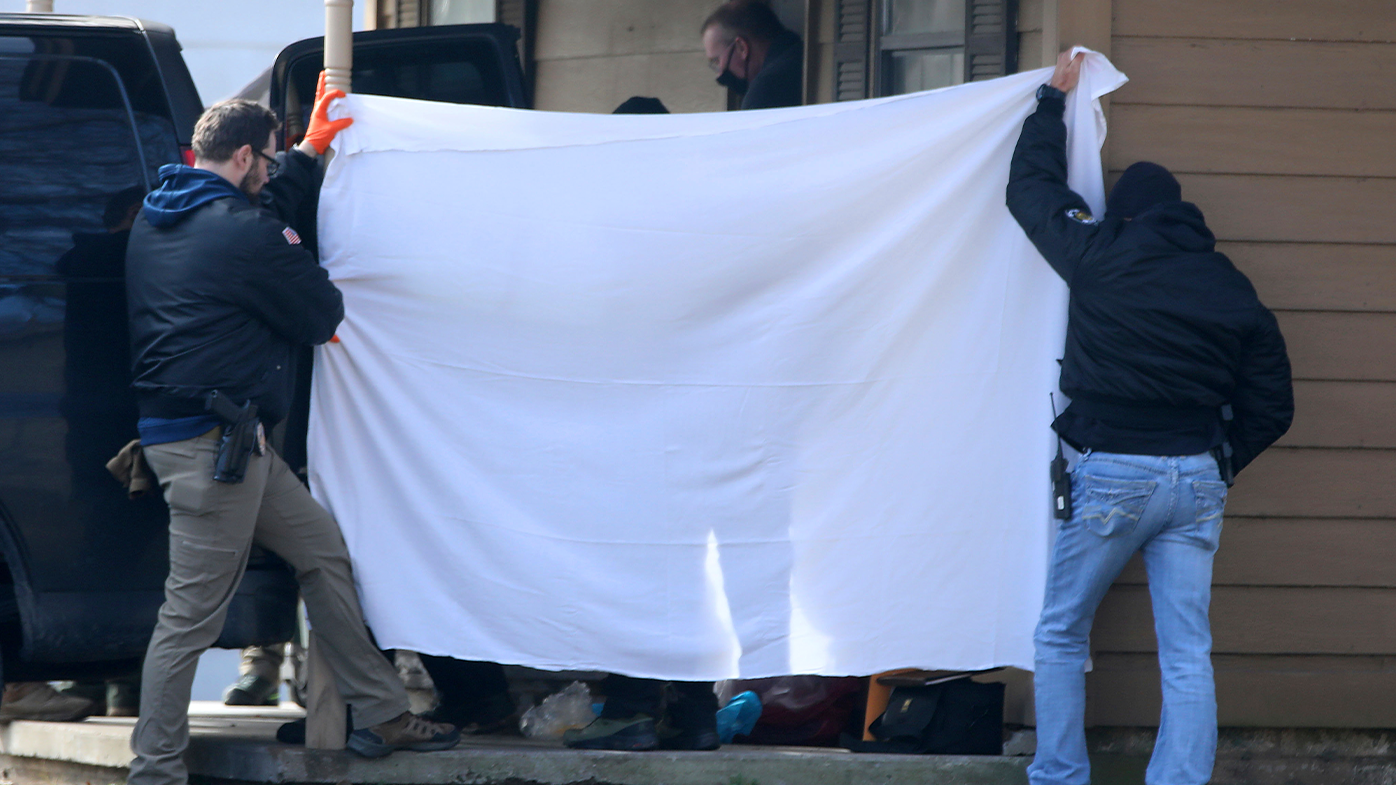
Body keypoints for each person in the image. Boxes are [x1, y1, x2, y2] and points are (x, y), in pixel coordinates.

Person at [124, 73, 459, 785]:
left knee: (321, 550)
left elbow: (249, 219)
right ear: (244, 157)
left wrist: (306, 150)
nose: (272, 172)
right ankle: (154, 771)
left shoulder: (158, 218)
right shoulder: (245, 235)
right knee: (188, 619)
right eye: (270, 160)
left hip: (211, 441)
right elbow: (321, 314)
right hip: (218, 453)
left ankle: (380, 709)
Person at [1007, 52, 1294, 785]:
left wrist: (1049, 105)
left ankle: (1061, 776)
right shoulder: (1231, 287)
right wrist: (1222, 460)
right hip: (1197, 476)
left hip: (1112, 473)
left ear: (1124, 212)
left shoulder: (1101, 254)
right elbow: (1272, 404)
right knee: (1187, 650)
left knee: (1062, 632)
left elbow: (1031, 192)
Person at [701, 0, 803, 110]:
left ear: (742, 47)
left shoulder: (764, 93)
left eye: (717, 61)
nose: (719, 74)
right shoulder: (804, 56)